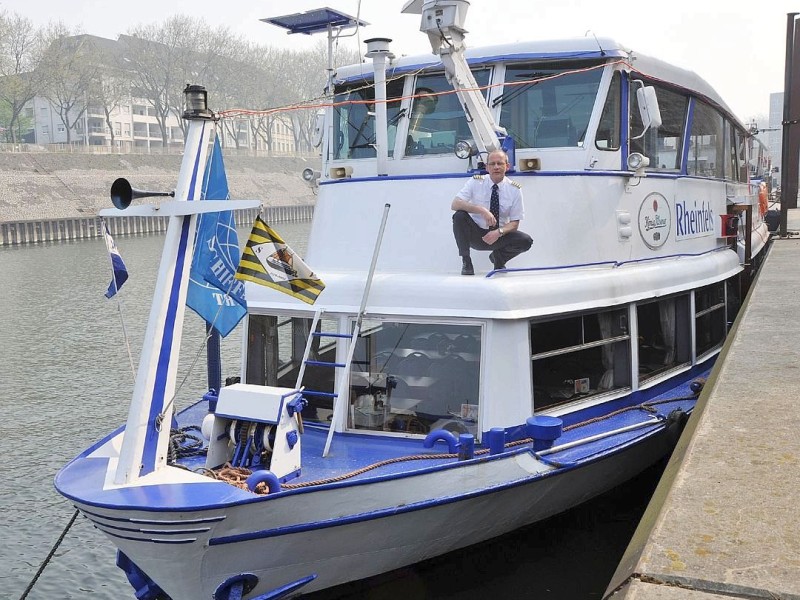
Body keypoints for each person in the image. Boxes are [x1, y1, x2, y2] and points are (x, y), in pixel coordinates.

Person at [451, 150, 532, 275]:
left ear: (507, 166)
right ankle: (466, 261)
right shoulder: (475, 182)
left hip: (499, 236)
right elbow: (455, 204)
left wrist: (499, 232)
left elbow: (515, 223)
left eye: (500, 163)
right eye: (492, 164)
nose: (496, 167)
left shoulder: (514, 189)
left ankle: (498, 260)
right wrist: (481, 210)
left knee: (525, 240)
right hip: (477, 234)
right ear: (487, 167)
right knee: (459, 216)